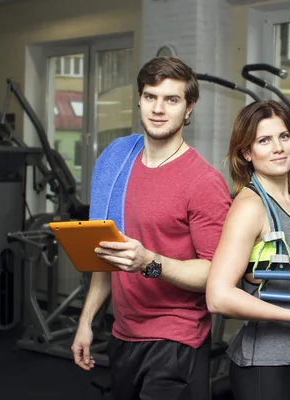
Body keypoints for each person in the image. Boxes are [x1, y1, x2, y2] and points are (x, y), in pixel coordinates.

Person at [70, 56, 232, 400]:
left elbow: (215, 274)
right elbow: (106, 253)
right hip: (123, 334)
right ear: (140, 100)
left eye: (171, 100)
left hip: (177, 341)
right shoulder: (118, 160)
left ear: (189, 108)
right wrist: (86, 321)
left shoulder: (203, 182)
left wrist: (148, 262)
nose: (158, 109)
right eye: (150, 97)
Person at [206, 100, 290, 400]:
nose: (278, 147)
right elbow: (218, 296)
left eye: (284, 136)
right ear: (247, 153)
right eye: (264, 140)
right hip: (265, 362)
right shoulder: (250, 207)